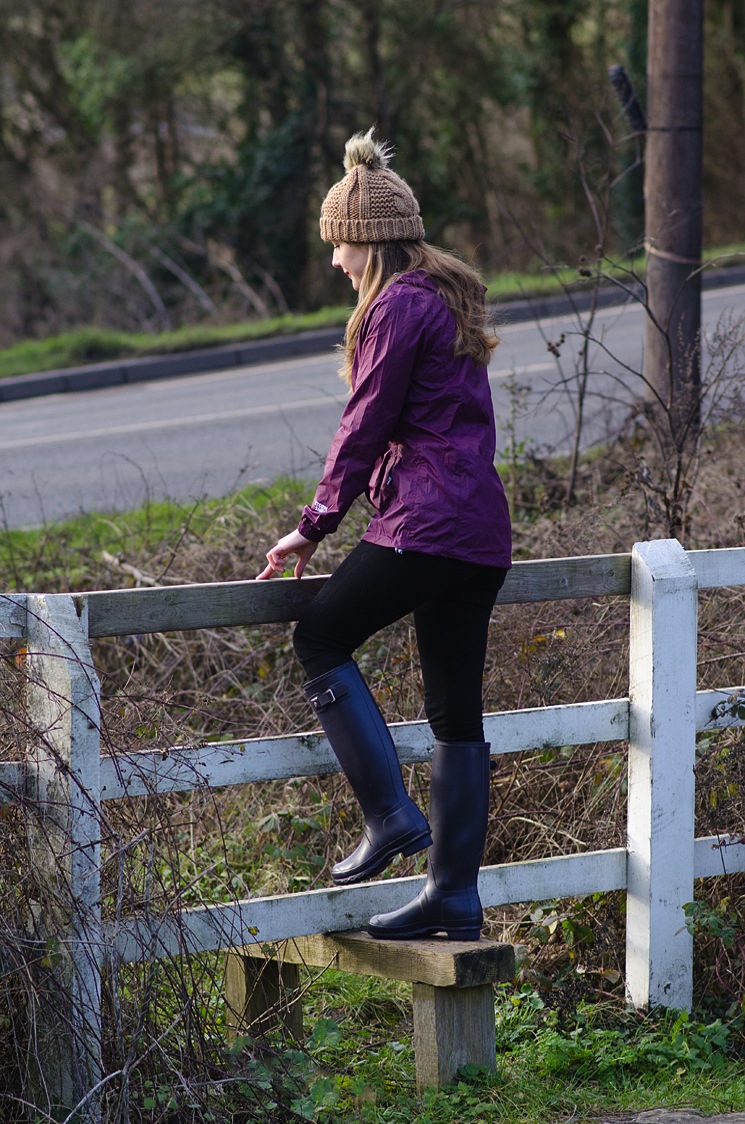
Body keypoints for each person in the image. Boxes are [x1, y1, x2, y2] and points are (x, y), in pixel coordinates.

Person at [257, 126, 512, 941]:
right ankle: (453, 896)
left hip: (428, 524)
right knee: (453, 712)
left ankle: (389, 816)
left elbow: (363, 424)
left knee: (322, 635)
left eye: (338, 247)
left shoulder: (395, 309)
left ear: (365, 242)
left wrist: (312, 527)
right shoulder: (443, 296)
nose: (334, 263)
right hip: (478, 533)